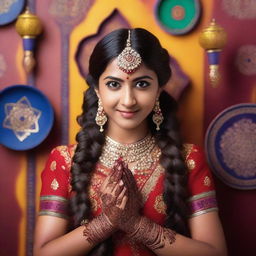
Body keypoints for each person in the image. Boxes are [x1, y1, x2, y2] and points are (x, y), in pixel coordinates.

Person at [33, 28, 227, 256]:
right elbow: (43, 253)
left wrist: (136, 224)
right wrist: (106, 222)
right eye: (114, 84)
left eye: (142, 84)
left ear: (159, 89)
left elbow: (215, 252)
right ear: (97, 89)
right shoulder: (65, 161)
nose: (128, 100)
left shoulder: (188, 160)